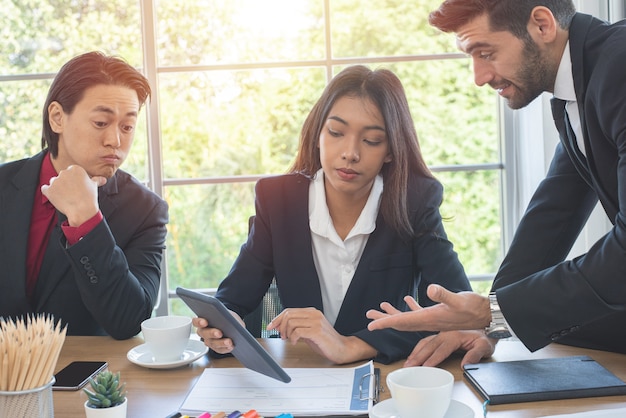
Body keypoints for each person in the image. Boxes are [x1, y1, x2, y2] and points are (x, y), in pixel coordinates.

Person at [367, 0, 626, 358]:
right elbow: (552, 215)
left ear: (541, 25)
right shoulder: (575, 88)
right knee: (548, 319)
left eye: (486, 53)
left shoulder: (619, 67)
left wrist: (494, 313)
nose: (479, 77)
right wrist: (487, 322)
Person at [193, 65, 471, 365]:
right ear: (317, 134)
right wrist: (221, 327)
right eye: (336, 133)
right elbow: (231, 300)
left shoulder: (414, 200)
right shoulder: (278, 200)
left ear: (390, 150)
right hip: (303, 374)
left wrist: (353, 345)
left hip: (386, 375)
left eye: (372, 140)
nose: (350, 153)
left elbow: (457, 312)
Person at [0, 51, 169, 339]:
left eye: (127, 127)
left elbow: (129, 321)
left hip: (88, 378)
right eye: (101, 123)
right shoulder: (4, 186)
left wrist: (87, 221)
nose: (115, 141)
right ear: (57, 118)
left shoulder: (145, 210)